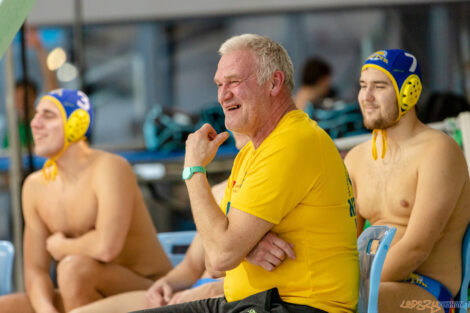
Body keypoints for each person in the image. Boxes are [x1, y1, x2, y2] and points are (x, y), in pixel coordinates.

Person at [133, 33, 359, 313]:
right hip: (257, 302)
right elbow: (223, 234)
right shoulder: (254, 150)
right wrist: (248, 246)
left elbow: (218, 256)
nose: (222, 94)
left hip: (296, 306)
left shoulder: (292, 142)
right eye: (219, 84)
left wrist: (194, 168)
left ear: (274, 82)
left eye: (234, 82)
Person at [67, 132, 298, 313]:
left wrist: (214, 289)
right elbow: (190, 266)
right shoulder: (218, 192)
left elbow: (275, 281)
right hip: (188, 293)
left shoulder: (279, 196)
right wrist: (166, 284)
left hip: (226, 298)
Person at [0, 89, 172, 313]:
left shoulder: (110, 168)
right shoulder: (34, 186)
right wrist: (46, 310)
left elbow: (106, 248)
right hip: (81, 289)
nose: (35, 123)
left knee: (73, 270)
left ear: (77, 123)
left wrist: (61, 246)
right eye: (36, 114)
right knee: (6, 307)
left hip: (148, 291)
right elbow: (36, 270)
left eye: (48, 115)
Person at [344, 49, 470, 313]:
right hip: (371, 286)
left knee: (354, 302)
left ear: (409, 91)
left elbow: (417, 247)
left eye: (379, 87)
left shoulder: (439, 151)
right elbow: (343, 242)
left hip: (429, 295)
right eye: (362, 86)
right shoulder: (355, 159)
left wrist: (353, 285)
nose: (366, 97)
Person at [4, 27, 60, 149]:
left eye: (24, 98)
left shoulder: (42, 122)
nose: (20, 103)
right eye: (17, 99)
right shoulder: (12, 130)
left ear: (34, 97)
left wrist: (39, 48)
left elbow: (51, 83)